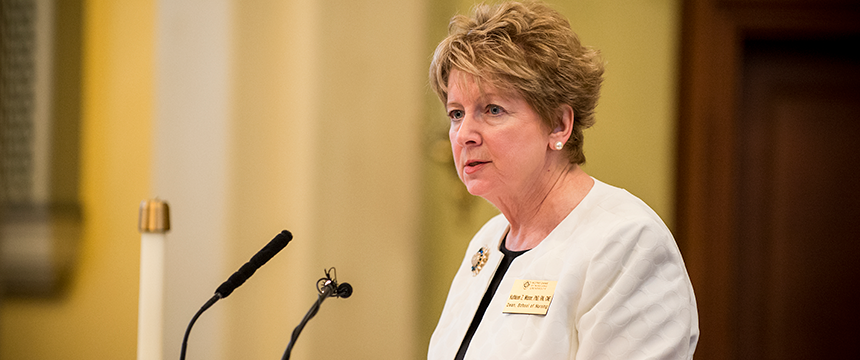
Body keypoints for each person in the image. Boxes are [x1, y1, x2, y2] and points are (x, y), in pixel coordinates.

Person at [426, 1, 699, 359]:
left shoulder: (627, 243)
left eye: (492, 109)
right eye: (457, 114)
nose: (464, 135)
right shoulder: (488, 243)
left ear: (559, 124)